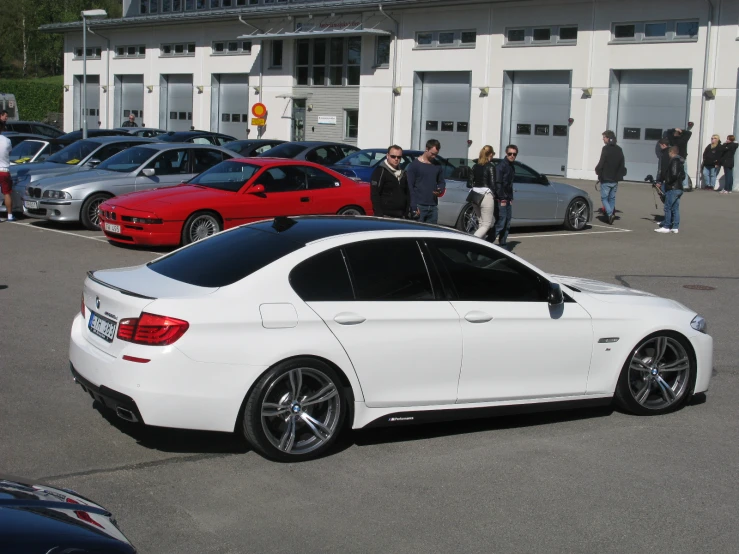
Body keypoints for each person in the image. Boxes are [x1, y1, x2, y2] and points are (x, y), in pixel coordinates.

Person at [407, 139, 445, 224]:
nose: (434, 156)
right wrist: (413, 206)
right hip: (419, 206)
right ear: (426, 149)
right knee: (417, 233)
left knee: (432, 234)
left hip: (433, 206)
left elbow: (441, 182)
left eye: (436, 154)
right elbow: (410, 187)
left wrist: (440, 189)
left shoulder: (437, 165)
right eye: (432, 154)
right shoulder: (414, 165)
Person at [595, 130, 626, 225]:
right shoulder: (619, 149)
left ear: (608, 138)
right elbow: (622, 163)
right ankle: (611, 214)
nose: (603, 139)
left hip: (606, 178)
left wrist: (598, 170)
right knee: (612, 198)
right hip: (615, 179)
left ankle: (609, 213)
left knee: (604, 198)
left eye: (604, 137)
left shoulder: (606, 149)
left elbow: (602, 162)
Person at [369, 145, 409, 218]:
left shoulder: (403, 173)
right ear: (387, 156)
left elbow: (407, 193)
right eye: (393, 156)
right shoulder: (380, 171)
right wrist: (379, 213)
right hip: (385, 215)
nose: (396, 159)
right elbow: (375, 194)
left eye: (399, 157)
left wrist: (406, 213)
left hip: (401, 215)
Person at [467, 145, 496, 239]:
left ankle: (479, 247)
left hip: (475, 196)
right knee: (487, 224)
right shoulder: (491, 167)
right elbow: (493, 184)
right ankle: (471, 241)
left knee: (481, 222)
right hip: (486, 196)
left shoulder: (475, 166)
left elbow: (469, 183)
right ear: (490, 154)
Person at [655, 146, 685, 234]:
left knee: (667, 207)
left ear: (671, 152)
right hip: (679, 188)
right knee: (675, 208)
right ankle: (675, 227)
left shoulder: (674, 161)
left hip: (673, 188)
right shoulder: (681, 161)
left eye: (669, 153)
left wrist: (667, 181)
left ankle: (667, 226)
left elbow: (674, 174)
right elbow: (683, 176)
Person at [492, 144, 517, 247]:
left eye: (514, 154)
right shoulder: (501, 166)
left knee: (507, 224)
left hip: (508, 199)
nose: (512, 156)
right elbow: (498, 184)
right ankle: (487, 243)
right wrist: (501, 198)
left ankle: (503, 245)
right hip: (500, 199)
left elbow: (509, 185)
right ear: (506, 154)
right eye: (510, 153)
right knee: (500, 223)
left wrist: (510, 198)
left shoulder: (512, 167)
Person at [0, 121, 13, 221]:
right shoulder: (7, 140)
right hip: (4, 170)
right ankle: (9, 215)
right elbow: (9, 152)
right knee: (7, 193)